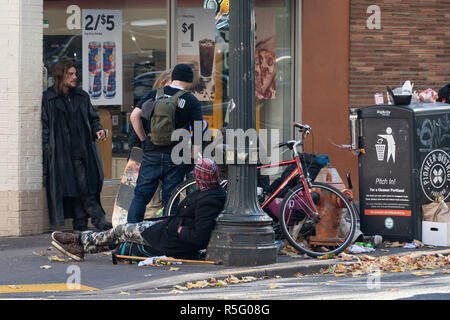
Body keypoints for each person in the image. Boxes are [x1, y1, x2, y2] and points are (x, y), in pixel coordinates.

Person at [50, 158, 226, 261]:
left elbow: (199, 236)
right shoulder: (211, 192)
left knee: (122, 230)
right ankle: (81, 246)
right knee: (122, 233)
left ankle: (79, 239)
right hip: (168, 230)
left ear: (201, 177)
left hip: (172, 238)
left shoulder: (209, 201)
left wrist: (180, 229)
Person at [42, 59, 112, 232]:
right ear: (61, 76)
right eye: (70, 74)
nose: (75, 77)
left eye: (75, 73)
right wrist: (47, 150)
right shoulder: (49, 99)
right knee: (76, 187)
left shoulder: (81, 96)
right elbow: (45, 127)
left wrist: (98, 130)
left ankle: (87, 221)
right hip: (62, 153)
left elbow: (93, 117)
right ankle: (91, 221)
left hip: (83, 150)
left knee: (85, 186)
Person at [126, 64, 203, 223]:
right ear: (189, 81)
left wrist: (144, 140)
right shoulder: (191, 100)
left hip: (151, 153)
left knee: (141, 196)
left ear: (173, 77)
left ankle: (128, 235)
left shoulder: (154, 94)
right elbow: (197, 133)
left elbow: (134, 116)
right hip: (176, 156)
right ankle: (166, 235)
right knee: (171, 199)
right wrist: (193, 159)